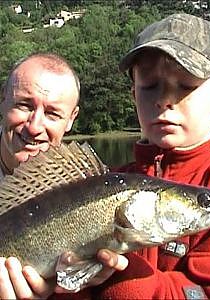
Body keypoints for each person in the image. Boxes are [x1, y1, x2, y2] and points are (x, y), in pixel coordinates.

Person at [89, 13, 210, 299]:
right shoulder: (106, 183)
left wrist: (128, 285)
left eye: (186, 86)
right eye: (149, 86)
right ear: (133, 96)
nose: (164, 100)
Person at [0, 52, 128, 299]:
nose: (35, 127)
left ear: (71, 119)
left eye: (52, 114)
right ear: (2, 101)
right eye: (24, 105)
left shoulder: (85, 185)